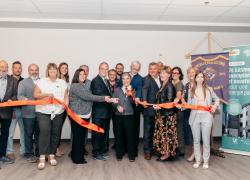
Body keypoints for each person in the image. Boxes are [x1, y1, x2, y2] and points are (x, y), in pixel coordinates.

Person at [69, 68, 110, 164]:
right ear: (76, 76)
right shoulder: (75, 86)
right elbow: (88, 97)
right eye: (80, 74)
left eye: (84, 74)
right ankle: (77, 159)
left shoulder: (84, 85)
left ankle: (77, 157)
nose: (83, 76)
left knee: (80, 137)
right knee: (78, 137)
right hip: (77, 115)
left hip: (85, 114)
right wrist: (104, 98)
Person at [33, 63, 69, 170]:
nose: (53, 71)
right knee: (45, 132)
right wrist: (46, 94)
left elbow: (66, 96)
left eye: (54, 69)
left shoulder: (62, 82)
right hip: (43, 111)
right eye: (50, 69)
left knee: (55, 133)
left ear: (57, 71)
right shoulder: (42, 81)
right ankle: (42, 156)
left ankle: (52, 154)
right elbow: (35, 95)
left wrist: (66, 105)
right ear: (47, 71)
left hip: (58, 112)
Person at [188, 72, 219, 169]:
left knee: (206, 140)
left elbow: (217, 99)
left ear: (204, 79)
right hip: (194, 117)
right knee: (196, 140)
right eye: (198, 77)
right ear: (195, 78)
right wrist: (181, 105)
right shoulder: (191, 90)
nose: (200, 78)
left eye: (202, 77)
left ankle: (206, 161)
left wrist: (214, 106)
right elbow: (189, 104)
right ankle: (198, 160)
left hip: (206, 117)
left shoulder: (209, 89)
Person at [153, 66, 177, 161]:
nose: (162, 75)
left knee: (167, 135)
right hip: (161, 114)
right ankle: (165, 152)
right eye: (161, 73)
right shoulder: (163, 85)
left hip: (167, 115)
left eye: (164, 73)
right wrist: (158, 106)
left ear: (169, 75)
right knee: (163, 135)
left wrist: (160, 106)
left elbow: (170, 101)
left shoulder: (170, 86)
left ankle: (167, 154)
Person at [18, 64, 40, 163]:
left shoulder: (43, 81)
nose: (34, 72)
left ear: (38, 71)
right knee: (28, 134)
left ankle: (39, 152)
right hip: (28, 113)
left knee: (39, 134)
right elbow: (20, 95)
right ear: (28, 71)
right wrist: (27, 100)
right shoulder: (23, 82)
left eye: (36, 70)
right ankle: (29, 153)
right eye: (32, 70)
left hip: (41, 112)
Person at [112, 72, 136, 162]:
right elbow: (112, 101)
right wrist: (117, 106)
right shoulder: (117, 90)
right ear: (121, 80)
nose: (125, 80)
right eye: (123, 79)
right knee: (119, 135)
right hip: (118, 116)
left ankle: (131, 155)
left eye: (127, 78)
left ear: (130, 80)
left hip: (129, 116)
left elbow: (134, 103)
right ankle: (119, 154)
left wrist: (130, 92)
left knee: (130, 136)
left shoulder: (133, 90)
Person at [91, 62, 112, 160]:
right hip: (98, 113)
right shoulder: (95, 81)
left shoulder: (106, 81)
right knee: (97, 134)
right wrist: (110, 99)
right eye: (103, 68)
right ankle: (96, 153)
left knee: (104, 133)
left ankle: (102, 151)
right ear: (99, 69)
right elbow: (98, 94)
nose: (105, 70)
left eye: (106, 69)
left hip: (106, 112)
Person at [0, 60, 18, 164]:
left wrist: (12, 99)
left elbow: (16, 95)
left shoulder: (13, 80)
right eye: (2, 67)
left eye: (6, 67)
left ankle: (2, 155)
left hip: (7, 112)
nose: (4, 69)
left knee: (5, 134)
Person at [6, 61, 25, 161]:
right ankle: (9, 152)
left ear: (21, 69)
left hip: (23, 110)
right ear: (12, 69)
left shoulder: (24, 81)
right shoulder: (8, 80)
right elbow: (7, 97)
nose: (18, 69)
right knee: (10, 133)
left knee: (24, 132)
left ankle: (24, 151)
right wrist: (11, 110)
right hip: (12, 111)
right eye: (15, 68)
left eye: (19, 68)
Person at [142, 62, 161, 160]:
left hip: (159, 111)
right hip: (149, 110)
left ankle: (154, 149)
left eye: (154, 68)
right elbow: (144, 90)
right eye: (150, 69)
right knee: (148, 131)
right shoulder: (147, 79)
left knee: (156, 131)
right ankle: (147, 151)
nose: (152, 70)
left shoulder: (161, 79)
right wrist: (144, 101)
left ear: (158, 69)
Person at [181, 67, 197, 162]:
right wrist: (184, 102)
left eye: (192, 72)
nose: (191, 74)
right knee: (189, 133)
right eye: (189, 72)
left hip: (196, 112)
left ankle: (196, 153)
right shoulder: (186, 85)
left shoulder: (199, 84)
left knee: (196, 132)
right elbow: (183, 96)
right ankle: (193, 153)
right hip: (187, 111)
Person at [129, 61, 143, 155]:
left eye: (137, 68)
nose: (136, 70)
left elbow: (140, 89)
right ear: (131, 67)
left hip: (135, 106)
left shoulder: (140, 78)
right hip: (125, 106)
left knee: (135, 128)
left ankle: (134, 149)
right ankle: (126, 147)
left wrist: (137, 97)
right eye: (134, 68)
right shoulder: (124, 75)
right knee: (126, 128)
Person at [56, 62, 70, 157]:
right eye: (62, 68)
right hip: (58, 107)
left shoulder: (66, 80)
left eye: (66, 68)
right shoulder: (56, 80)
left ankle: (56, 148)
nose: (64, 69)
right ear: (59, 69)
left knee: (59, 128)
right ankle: (55, 149)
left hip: (65, 107)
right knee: (56, 129)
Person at [171, 66, 185, 157]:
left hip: (178, 110)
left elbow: (179, 95)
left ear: (180, 75)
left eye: (176, 73)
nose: (174, 74)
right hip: (172, 109)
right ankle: (176, 149)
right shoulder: (171, 82)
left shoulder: (179, 83)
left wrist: (175, 100)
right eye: (173, 73)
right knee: (174, 130)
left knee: (179, 130)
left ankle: (181, 150)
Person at [108, 69, 118, 149]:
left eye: (114, 74)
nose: (112, 76)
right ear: (108, 75)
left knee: (117, 127)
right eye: (110, 74)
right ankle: (105, 145)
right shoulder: (105, 83)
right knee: (106, 127)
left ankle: (117, 143)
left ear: (116, 75)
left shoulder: (119, 84)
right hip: (106, 108)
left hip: (116, 109)